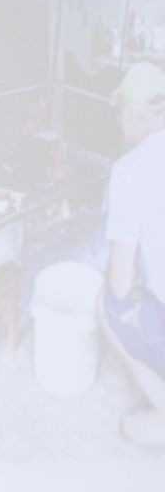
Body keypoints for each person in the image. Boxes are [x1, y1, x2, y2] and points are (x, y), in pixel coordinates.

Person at [100, 62, 165, 447]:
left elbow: (121, 285)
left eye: (121, 113)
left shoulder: (128, 171)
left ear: (135, 115)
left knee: (106, 305)